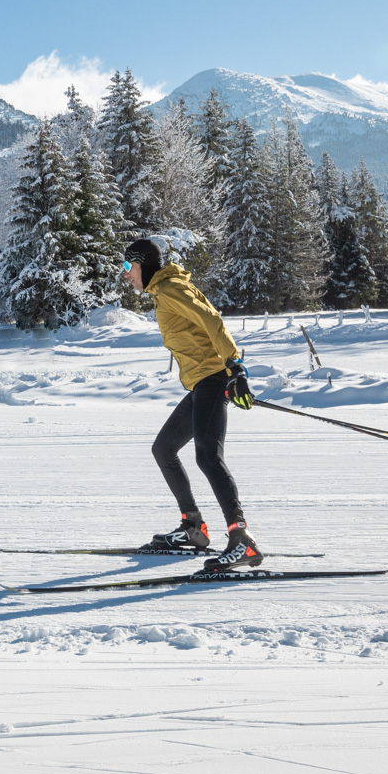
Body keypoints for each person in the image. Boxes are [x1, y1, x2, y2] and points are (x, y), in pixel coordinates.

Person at [123, 236, 260, 571]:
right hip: (203, 383)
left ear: (144, 264)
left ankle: (242, 541)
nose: (126, 274)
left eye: (129, 266)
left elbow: (212, 320)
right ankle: (193, 528)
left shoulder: (171, 290)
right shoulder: (163, 291)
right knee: (164, 449)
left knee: (208, 457)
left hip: (213, 378)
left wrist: (235, 368)